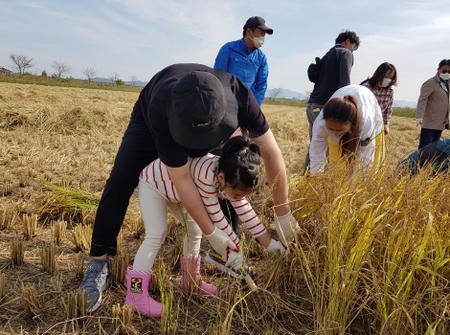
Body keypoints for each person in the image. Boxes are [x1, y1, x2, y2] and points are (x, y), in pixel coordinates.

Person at [78, 63, 299, 312]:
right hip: (156, 152)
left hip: (198, 143)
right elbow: (182, 179)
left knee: (202, 218)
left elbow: (270, 152)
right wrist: (219, 237)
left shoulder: (240, 96)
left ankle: (191, 278)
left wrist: (282, 216)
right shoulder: (160, 106)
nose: (197, 148)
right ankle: (105, 267)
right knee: (122, 180)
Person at [125, 136, 286, 317]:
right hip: (154, 185)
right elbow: (215, 219)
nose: (237, 198)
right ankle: (135, 295)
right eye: (236, 194)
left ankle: (190, 279)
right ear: (221, 177)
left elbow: (246, 211)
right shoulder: (205, 176)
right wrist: (235, 249)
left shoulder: (231, 175)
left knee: (194, 229)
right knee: (156, 234)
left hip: (178, 192)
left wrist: (269, 243)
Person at [304, 30, 361, 172]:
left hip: (313, 105)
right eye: (354, 47)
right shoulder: (345, 53)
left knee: (316, 145)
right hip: (327, 108)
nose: (353, 51)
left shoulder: (327, 55)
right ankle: (323, 182)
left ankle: (307, 179)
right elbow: (344, 84)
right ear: (348, 41)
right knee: (329, 147)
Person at [309, 85, 384, 175]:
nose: (334, 132)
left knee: (370, 168)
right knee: (336, 166)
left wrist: (355, 187)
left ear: (351, 125)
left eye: (339, 130)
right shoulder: (321, 122)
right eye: (331, 129)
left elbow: (366, 161)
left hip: (371, 122)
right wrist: (316, 179)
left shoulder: (366, 121)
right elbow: (316, 154)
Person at [214, 16, 273, 106]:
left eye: (264, 35)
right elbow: (219, 77)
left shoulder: (261, 58)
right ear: (249, 31)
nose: (263, 37)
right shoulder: (228, 49)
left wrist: (254, 107)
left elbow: (261, 86)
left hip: (248, 105)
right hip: (227, 103)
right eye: (261, 33)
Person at [416, 59, 450, 149]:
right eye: (444, 71)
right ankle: (421, 163)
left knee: (435, 148)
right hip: (430, 122)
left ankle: (430, 163)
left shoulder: (448, 84)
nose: (447, 73)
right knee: (425, 147)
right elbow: (422, 100)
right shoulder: (430, 83)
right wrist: (419, 117)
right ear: (438, 70)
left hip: (441, 122)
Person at [360, 62, 398, 135]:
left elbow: (388, 109)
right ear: (379, 75)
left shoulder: (389, 91)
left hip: (378, 124)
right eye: (386, 77)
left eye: (391, 78)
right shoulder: (366, 88)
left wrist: (386, 125)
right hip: (364, 124)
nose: (388, 80)